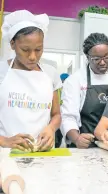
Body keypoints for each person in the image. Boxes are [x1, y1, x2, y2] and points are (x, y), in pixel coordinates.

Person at [0, 10, 62, 151]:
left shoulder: (50, 74)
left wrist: (51, 128)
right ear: (12, 44)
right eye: (25, 50)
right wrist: (5, 141)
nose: (33, 57)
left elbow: (56, 114)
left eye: (38, 49)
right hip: (5, 155)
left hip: (41, 152)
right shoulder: (2, 71)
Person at [60, 33, 108, 148]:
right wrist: (76, 139)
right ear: (87, 57)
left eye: (107, 57)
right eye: (96, 59)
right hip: (84, 145)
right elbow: (68, 117)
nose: (102, 62)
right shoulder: (75, 80)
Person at [55, 73, 69, 148]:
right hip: (60, 113)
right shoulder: (68, 87)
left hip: (58, 113)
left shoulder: (59, 87)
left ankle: (57, 144)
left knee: (58, 133)